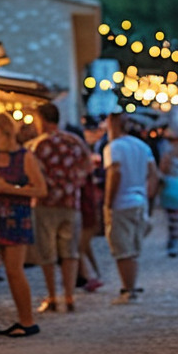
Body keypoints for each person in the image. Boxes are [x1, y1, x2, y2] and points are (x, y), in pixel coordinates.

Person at [0, 112, 47, 336]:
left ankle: (28, 321)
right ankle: (23, 319)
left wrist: (9, 189)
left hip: (18, 217)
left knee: (15, 269)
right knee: (10, 271)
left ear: (7, 134)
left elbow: (40, 189)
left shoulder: (24, 157)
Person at [30, 103, 92, 313]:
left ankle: (52, 296)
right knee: (69, 251)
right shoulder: (74, 141)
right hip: (70, 203)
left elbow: (31, 172)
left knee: (47, 252)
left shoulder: (38, 145)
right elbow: (88, 165)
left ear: (43, 120)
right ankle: (69, 295)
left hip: (45, 203)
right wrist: (74, 182)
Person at [102, 113, 159, 304]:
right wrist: (147, 197)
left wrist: (108, 203)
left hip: (121, 202)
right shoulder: (141, 146)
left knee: (122, 248)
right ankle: (131, 285)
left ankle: (128, 290)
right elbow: (153, 174)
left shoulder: (114, 147)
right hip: (138, 201)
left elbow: (114, 173)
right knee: (133, 247)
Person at [77, 116, 108, 293]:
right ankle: (92, 274)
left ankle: (89, 277)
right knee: (83, 245)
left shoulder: (84, 173)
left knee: (80, 246)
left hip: (87, 207)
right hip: (88, 207)